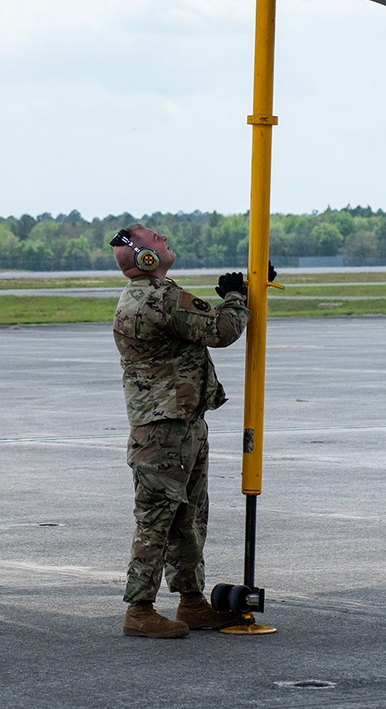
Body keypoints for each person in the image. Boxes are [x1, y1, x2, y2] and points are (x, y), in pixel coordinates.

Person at [111, 224, 250, 638]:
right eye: (154, 238)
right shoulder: (157, 297)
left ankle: (191, 602)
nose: (163, 238)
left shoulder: (152, 294)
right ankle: (139, 611)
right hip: (163, 429)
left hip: (182, 423)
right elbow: (221, 331)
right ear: (144, 257)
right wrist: (237, 296)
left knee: (188, 518)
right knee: (157, 520)